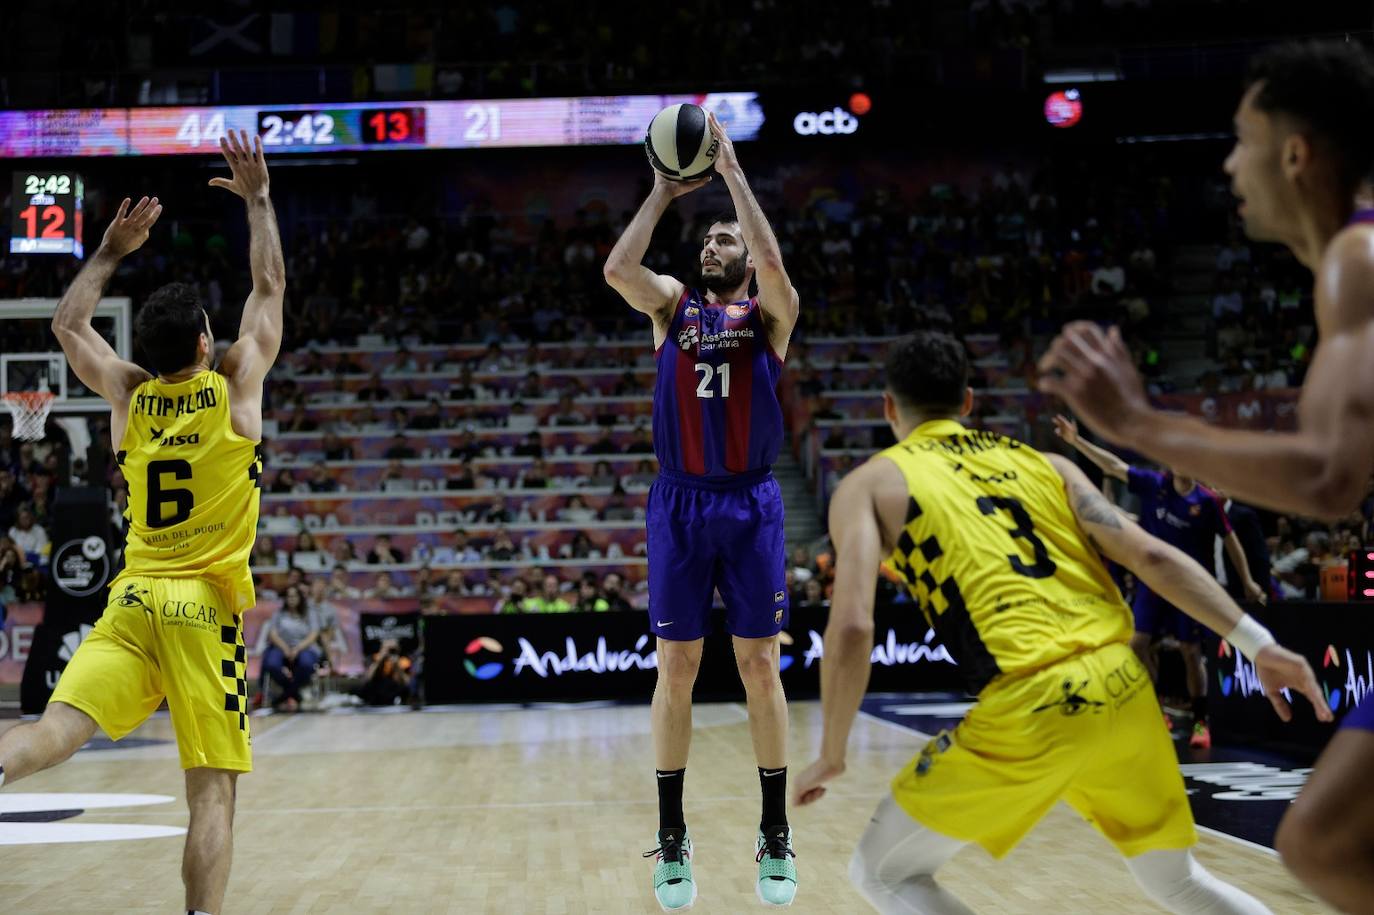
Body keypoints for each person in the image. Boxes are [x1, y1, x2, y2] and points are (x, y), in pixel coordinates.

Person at [794, 331, 1331, 915]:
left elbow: (849, 626)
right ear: (969, 402)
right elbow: (1151, 556)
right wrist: (1258, 643)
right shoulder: (1045, 464)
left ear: (888, 408)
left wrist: (831, 751)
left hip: (1031, 698)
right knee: (1177, 882)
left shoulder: (869, 483)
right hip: (1123, 683)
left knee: (883, 872)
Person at [1036, 41, 1374, 912]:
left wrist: (1142, 422)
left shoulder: (1358, 261)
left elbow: (1330, 476)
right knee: (1321, 841)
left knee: (1323, 841)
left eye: (1240, 137)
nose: (1228, 161)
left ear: (1294, 153)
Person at [0, 130, 282, 915]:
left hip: (131, 600)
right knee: (213, 795)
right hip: (201, 609)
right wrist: (258, 199)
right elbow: (269, 289)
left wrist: (111, 251)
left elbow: (65, 326)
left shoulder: (129, 393)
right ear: (204, 340)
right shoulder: (236, 386)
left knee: (51, 731)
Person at [604, 111, 800, 908]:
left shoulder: (769, 316)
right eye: (709, 239)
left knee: (760, 665)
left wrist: (734, 179)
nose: (713, 246)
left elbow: (777, 265)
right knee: (676, 667)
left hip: (750, 504)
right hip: (680, 502)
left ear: (745, 257)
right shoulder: (673, 306)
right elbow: (619, 268)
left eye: (727, 241)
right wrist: (660, 192)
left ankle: (775, 832)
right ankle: (674, 835)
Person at [1051, 414, 1266, 748]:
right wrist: (1076, 441)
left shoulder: (1207, 502)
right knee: (1137, 646)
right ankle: (1156, 712)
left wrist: (1249, 581)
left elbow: (1231, 542)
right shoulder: (1154, 484)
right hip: (1152, 584)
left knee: (1191, 654)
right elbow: (1113, 467)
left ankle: (1199, 723)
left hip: (1189, 587)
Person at [262, 583, 321, 712]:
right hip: (281, 646)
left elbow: (314, 634)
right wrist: (284, 648)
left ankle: (285, 695)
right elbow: (272, 633)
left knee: (307, 664)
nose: (291, 599)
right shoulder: (279, 613)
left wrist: (298, 648)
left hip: (304, 646)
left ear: (300, 597)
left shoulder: (309, 613)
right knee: (271, 664)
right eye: (288, 596)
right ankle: (294, 693)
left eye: (294, 596)